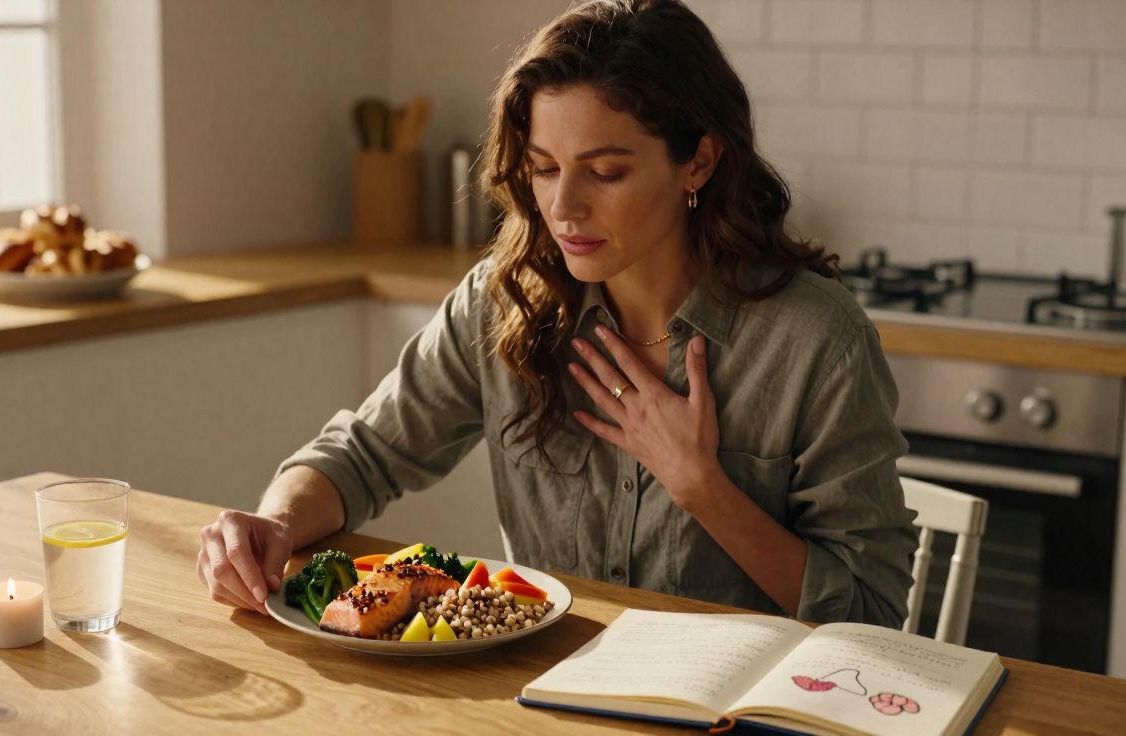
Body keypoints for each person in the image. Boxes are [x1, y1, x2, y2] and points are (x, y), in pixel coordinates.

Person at [197, 0, 917, 627]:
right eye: (544, 167)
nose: (564, 208)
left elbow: (871, 613)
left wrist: (703, 488)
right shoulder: (503, 302)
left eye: (606, 172)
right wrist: (274, 523)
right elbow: (365, 455)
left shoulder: (816, 340)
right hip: (544, 701)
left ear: (698, 161)